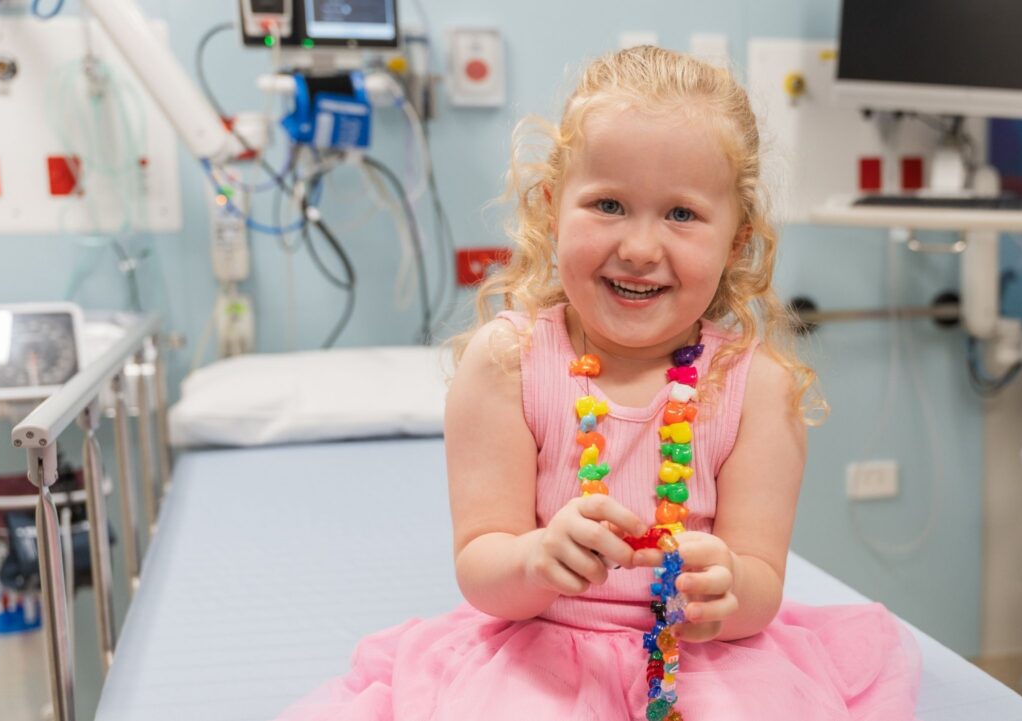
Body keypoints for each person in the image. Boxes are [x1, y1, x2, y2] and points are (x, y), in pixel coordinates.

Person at [278, 45, 918, 721]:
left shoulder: (756, 387)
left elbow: (761, 584)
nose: (640, 248)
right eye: (608, 203)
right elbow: (480, 564)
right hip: (541, 652)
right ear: (552, 209)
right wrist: (534, 559)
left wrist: (726, 589)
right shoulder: (508, 364)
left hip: (701, 661)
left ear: (737, 241)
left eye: (681, 214)